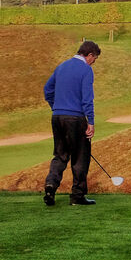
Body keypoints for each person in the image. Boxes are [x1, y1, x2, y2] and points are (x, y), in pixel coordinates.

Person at [43, 40, 101, 206]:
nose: (94, 62)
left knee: (60, 155)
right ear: (89, 55)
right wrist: (91, 121)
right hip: (75, 119)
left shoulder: (61, 66)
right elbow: (87, 98)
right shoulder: (86, 70)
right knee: (80, 157)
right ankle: (77, 196)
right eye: (94, 59)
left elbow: (47, 90)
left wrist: (57, 107)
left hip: (57, 117)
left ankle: (51, 184)